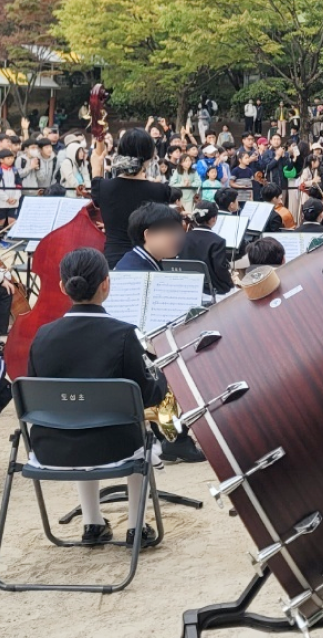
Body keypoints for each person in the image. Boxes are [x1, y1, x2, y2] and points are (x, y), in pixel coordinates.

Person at [27, 248, 168, 547]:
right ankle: (136, 527)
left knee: (77, 417)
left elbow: (38, 396)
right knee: (134, 431)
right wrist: (160, 372)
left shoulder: (42, 336)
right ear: (106, 284)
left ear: (63, 286)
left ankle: (92, 523)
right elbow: (148, 393)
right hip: (115, 446)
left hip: (53, 448)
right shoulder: (125, 334)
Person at [90, 129, 172, 267]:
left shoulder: (102, 187)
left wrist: (96, 170)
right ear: (151, 155)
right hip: (147, 261)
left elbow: (98, 197)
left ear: (120, 152)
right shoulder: (160, 191)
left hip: (113, 261)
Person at [180, 199, 234, 296]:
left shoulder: (183, 237)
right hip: (211, 289)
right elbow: (220, 269)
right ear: (213, 219)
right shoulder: (218, 241)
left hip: (187, 286)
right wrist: (230, 282)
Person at [115, 203, 187, 275]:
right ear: (148, 235)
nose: (176, 238)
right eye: (169, 232)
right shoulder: (136, 272)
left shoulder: (137, 260)